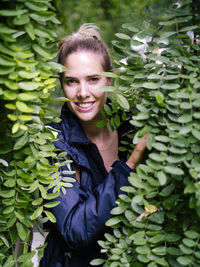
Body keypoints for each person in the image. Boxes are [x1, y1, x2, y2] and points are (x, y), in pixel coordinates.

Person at [40, 23, 147, 267]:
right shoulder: (52, 143)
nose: (83, 92)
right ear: (62, 84)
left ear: (109, 78)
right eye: (71, 81)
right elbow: (74, 229)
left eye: (93, 79)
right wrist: (129, 166)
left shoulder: (135, 128)